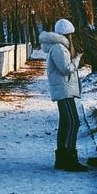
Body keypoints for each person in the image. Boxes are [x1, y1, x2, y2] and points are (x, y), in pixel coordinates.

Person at [40, 18, 88, 172]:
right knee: (74, 122)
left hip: (64, 89)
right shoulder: (59, 48)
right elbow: (66, 69)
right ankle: (69, 158)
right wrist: (77, 59)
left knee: (66, 122)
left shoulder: (58, 47)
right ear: (68, 35)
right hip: (64, 89)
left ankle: (62, 158)